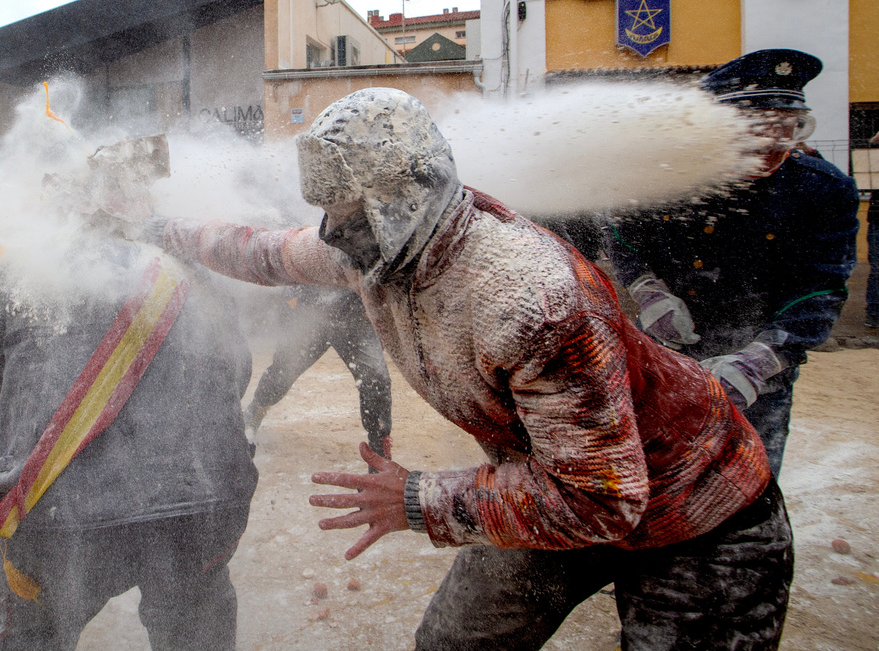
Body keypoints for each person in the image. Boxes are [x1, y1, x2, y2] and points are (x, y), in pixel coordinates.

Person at [154, 88, 793, 649]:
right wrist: (160, 229)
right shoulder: (370, 248)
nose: (332, 232)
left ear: (406, 199)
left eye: (348, 212)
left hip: (696, 511)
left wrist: (419, 499)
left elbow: (603, 500)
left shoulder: (530, 301)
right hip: (547, 483)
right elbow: (262, 253)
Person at [0, 135, 258, 650]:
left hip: (61, 509)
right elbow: (236, 370)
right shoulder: (196, 269)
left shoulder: (32, 259)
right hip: (201, 505)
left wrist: (26, 390)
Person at [605, 49, 860, 476]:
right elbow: (622, 235)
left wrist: (763, 358)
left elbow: (822, 286)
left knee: (747, 478)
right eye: (759, 129)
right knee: (662, 473)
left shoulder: (821, 190)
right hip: (673, 349)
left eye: (787, 129)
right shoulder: (669, 178)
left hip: (762, 361)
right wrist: (647, 291)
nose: (773, 145)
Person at [243, 284, 392, 461]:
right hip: (306, 304)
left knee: (375, 378)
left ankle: (379, 455)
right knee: (282, 374)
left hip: (353, 308)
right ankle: (256, 411)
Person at [866, 131, 879, 329]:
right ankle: (874, 312)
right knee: (878, 269)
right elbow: (873, 142)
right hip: (878, 219)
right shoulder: (874, 159)